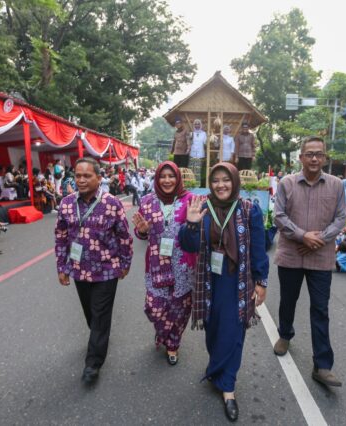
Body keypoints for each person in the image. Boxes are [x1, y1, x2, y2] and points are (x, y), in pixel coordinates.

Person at [179, 163, 268, 422]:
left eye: (226, 180)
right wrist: (192, 225)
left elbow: (259, 249)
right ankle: (216, 366)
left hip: (237, 282)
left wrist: (261, 282)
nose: (220, 185)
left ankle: (228, 387)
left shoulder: (250, 209)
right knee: (213, 328)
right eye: (215, 180)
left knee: (233, 331)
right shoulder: (201, 207)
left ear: (235, 181)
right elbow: (188, 245)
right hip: (208, 282)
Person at [272, 136, 346, 388]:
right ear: (301, 157)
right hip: (291, 255)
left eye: (319, 154)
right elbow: (278, 216)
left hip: (321, 256)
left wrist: (318, 239)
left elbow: (340, 218)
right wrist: (303, 236)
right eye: (310, 154)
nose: (315, 158)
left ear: (325, 158)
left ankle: (322, 365)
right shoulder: (287, 183)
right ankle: (285, 335)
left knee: (320, 309)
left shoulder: (336, 185)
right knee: (288, 301)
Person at [55, 157, 133, 385]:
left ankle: (93, 363)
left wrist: (125, 263)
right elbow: (60, 237)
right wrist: (62, 267)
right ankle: (98, 337)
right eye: (78, 175)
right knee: (91, 314)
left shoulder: (112, 203)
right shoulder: (67, 203)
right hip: (79, 269)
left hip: (107, 270)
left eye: (87, 176)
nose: (81, 180)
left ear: (99, 178)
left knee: (100, 315)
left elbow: (124, 236)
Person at [131, 161, 195, 365]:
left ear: (178, 178)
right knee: (154, 307)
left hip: (183, 266)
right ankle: (163, 331)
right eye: (162, 176)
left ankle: (173, 344)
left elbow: (198, 234)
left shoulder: (190, 200)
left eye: (171, 176)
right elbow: (141, 233)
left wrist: (194, 224)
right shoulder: (147, 200)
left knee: (180, 309)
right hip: (156, 264)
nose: (167, 180)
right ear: (157, 179)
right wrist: (141, 231)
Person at [188, 119, 207, 187]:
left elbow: (205, 143)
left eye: (198, 124)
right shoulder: (191, 133)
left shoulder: (204, 134)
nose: (197, 125)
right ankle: (191, 185)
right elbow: (189, 143)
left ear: (201, 125)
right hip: (192, 154)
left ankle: (197, 186)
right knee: (192, 170)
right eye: (195, 124)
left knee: (198, 171)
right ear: (194, 125)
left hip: (200, 154)